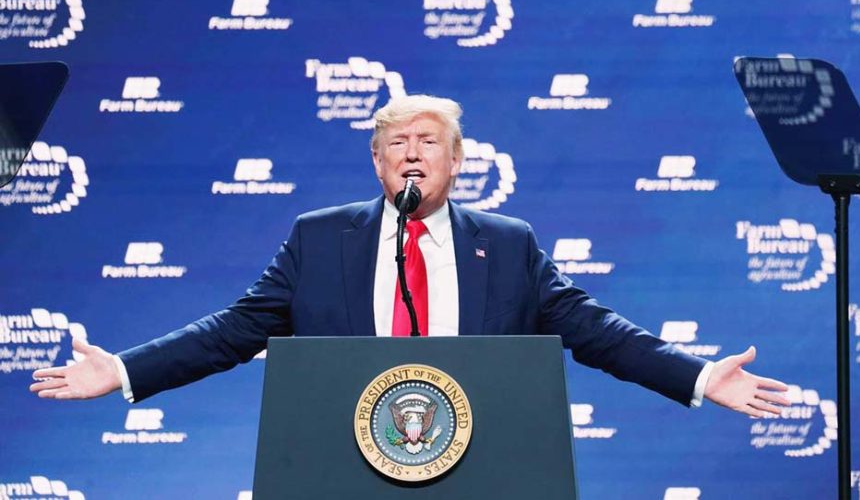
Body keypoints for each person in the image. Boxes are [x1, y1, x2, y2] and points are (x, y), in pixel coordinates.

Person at [31, 95, 790, 417]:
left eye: (429, 141)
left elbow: (595, 332)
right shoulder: (319, 237)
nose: (412, 152)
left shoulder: (509, 243)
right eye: (396, 142)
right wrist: (124, 369)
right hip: (344, 452)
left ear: (457, 164)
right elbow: (234, 330)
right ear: (376, 164)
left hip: (481, 452)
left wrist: (694, 375)